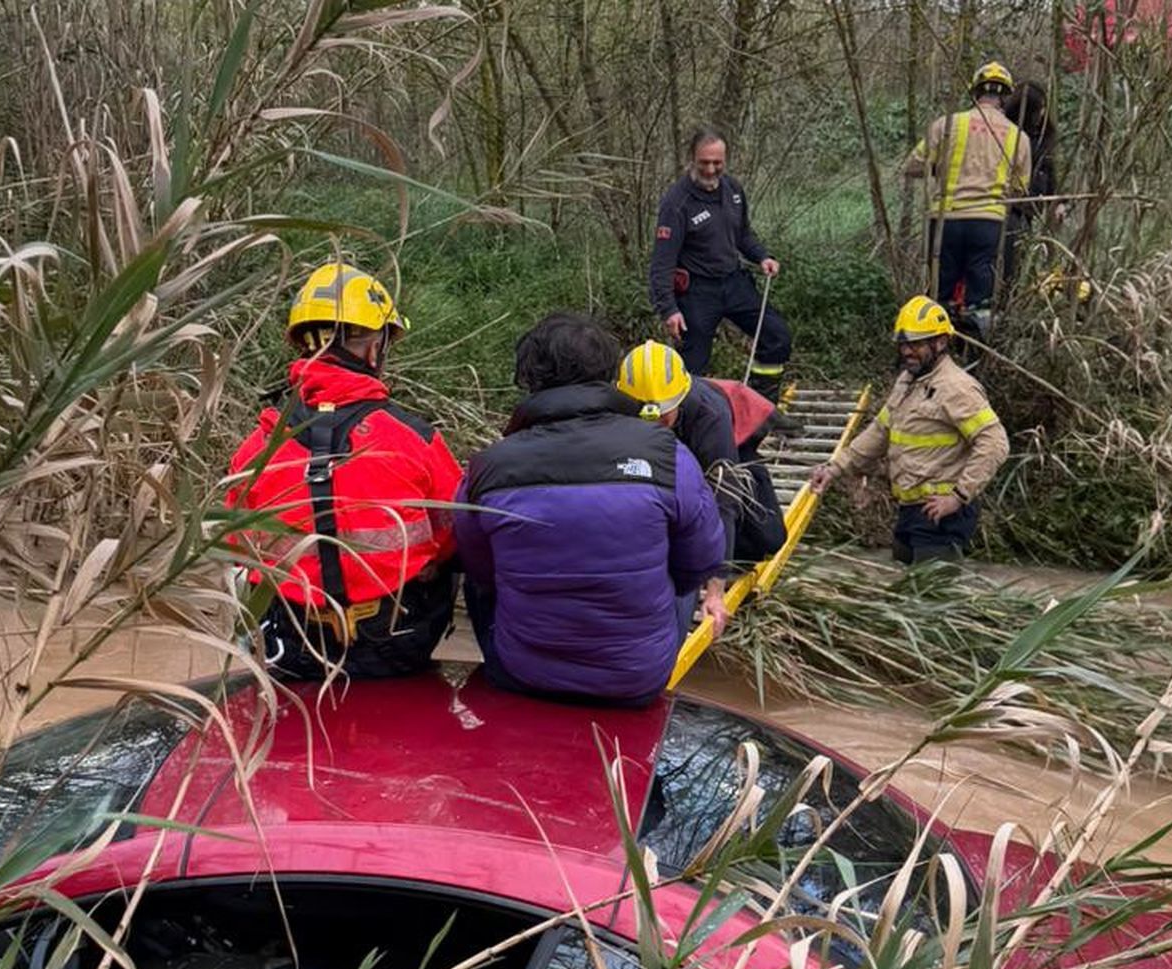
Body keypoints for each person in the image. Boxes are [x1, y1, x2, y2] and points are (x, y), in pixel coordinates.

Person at [453, 313, 724, 706]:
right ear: (612, 378)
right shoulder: (668, 455)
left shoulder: (488, 465)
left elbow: (478, 567)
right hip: (636, 680)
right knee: (676, 563)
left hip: (522, 673)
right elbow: (702, 562)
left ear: (529, 381)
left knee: (480, 578)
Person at [227, 262, 463, 681]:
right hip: (396, 645)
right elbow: (455, 534)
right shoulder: (415, 439)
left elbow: (238, 545)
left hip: (294, 645)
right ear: (375, 349)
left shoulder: (256, 449)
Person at [808, 297, 1009, 564]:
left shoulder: (956, 388)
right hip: (911, 511)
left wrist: (959, 497)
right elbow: (879, 431)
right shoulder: (907, 381)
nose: (906, 352)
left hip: (942, 515)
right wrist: (835, 468)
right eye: (903, 344)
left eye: (915, 344)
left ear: (940, 342)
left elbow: (995, 443)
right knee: (902, 584)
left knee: (933, 598)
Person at [617, 338, 787, 579]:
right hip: (673, 453)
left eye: (663, 415)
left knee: (768, 538)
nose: (656, 422)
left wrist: (718, 577)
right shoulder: (622, 404)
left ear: (679, 397)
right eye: (646, 416)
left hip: (734, 439)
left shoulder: (709, 412)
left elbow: (724, 497)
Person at [648, 127, 793, 403]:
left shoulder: (733, 190)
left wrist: (763, 257)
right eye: (705, 163)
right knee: (692, 367)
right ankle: (689, 427)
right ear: (692, 160)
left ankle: (761, 408)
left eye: (717, 163)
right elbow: (661, 262)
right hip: (697, 293)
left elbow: (742, 235)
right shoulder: (677, 203)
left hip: (734, 282)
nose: (711, 169)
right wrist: (669, 309)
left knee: (777, 336)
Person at [905, 61, 1032, 341]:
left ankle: (932, 348)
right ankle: (975, 353)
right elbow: (1021, 189)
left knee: (939, 296)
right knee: (980, 302)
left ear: (974, 93)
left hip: (945, 222)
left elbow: (913, 166)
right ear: (1005, 97)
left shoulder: (947, 124)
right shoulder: (1018, 138)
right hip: (990, 224)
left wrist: (943, 169)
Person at [1001, 79, 1057, 290]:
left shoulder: (1043, 136)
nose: (1042, 113)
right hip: (1010, 208)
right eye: (1039, 108)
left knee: (1020, 259)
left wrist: (1056, 200)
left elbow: (1049, 170)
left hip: (1030, 208)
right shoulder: (1010, 133)